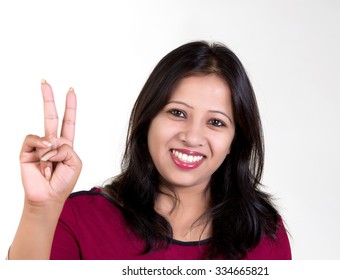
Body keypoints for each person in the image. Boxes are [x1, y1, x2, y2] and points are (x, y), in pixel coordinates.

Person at [9, 41, 291, 260]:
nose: (192, 137)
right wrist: (40, 209)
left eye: (216, 122)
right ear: (148, 121)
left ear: (235, 141)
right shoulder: (81, 219)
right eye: (178, 113)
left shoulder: (263, 234)